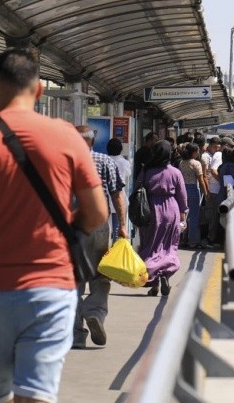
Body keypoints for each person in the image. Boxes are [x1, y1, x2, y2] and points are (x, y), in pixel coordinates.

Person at [0, 48, 108, 403]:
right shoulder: (66, 137)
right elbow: (97, 213)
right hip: (50, 288)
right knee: (35, 396)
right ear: (40, 91)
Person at [74, 126, 127, 349]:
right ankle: (94, 310)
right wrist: (122, 226)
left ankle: (76, 335)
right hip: (99, 224)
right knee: (100, 274)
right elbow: (117, 196)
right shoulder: (106, 162)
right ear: (92, 142)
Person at [137, 140, 188, 296]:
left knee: (151, 245)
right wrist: (183, 217)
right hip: (171, 210)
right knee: (168, 246)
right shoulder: (175, 172)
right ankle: (166, 273)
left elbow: (137, 189)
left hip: (150, 211)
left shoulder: (146, 171)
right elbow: (182, 196)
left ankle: (153, 282)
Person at [178, 143, 209, 248]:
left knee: (183, 216)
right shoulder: (196, 163)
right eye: (197, 151)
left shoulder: (181, 163)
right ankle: (192, 241)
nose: (198, 153)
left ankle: (182, 239)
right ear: (193, 152)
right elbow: (201, 180)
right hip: (193, 190)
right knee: (194, 216)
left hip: (182, 190)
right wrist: (205, 193)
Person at [106, 137, 132, 241]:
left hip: (106, 198)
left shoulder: (105, 160)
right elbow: (128, 174)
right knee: (118, 227)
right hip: (120, 197)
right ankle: (115, 248)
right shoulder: (124, 162)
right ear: (120, 149)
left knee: (107, 227)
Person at [201, 136, 222, 245]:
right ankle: (208, 237)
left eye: (218, 147)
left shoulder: (213, 156)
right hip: (210, 189)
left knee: (213, 214)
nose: (216, 149)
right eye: (215, 147)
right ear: (210, 146)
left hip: (212, 188)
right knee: (210, 215)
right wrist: (207, 191)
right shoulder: (205, 156)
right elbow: (204, 175)